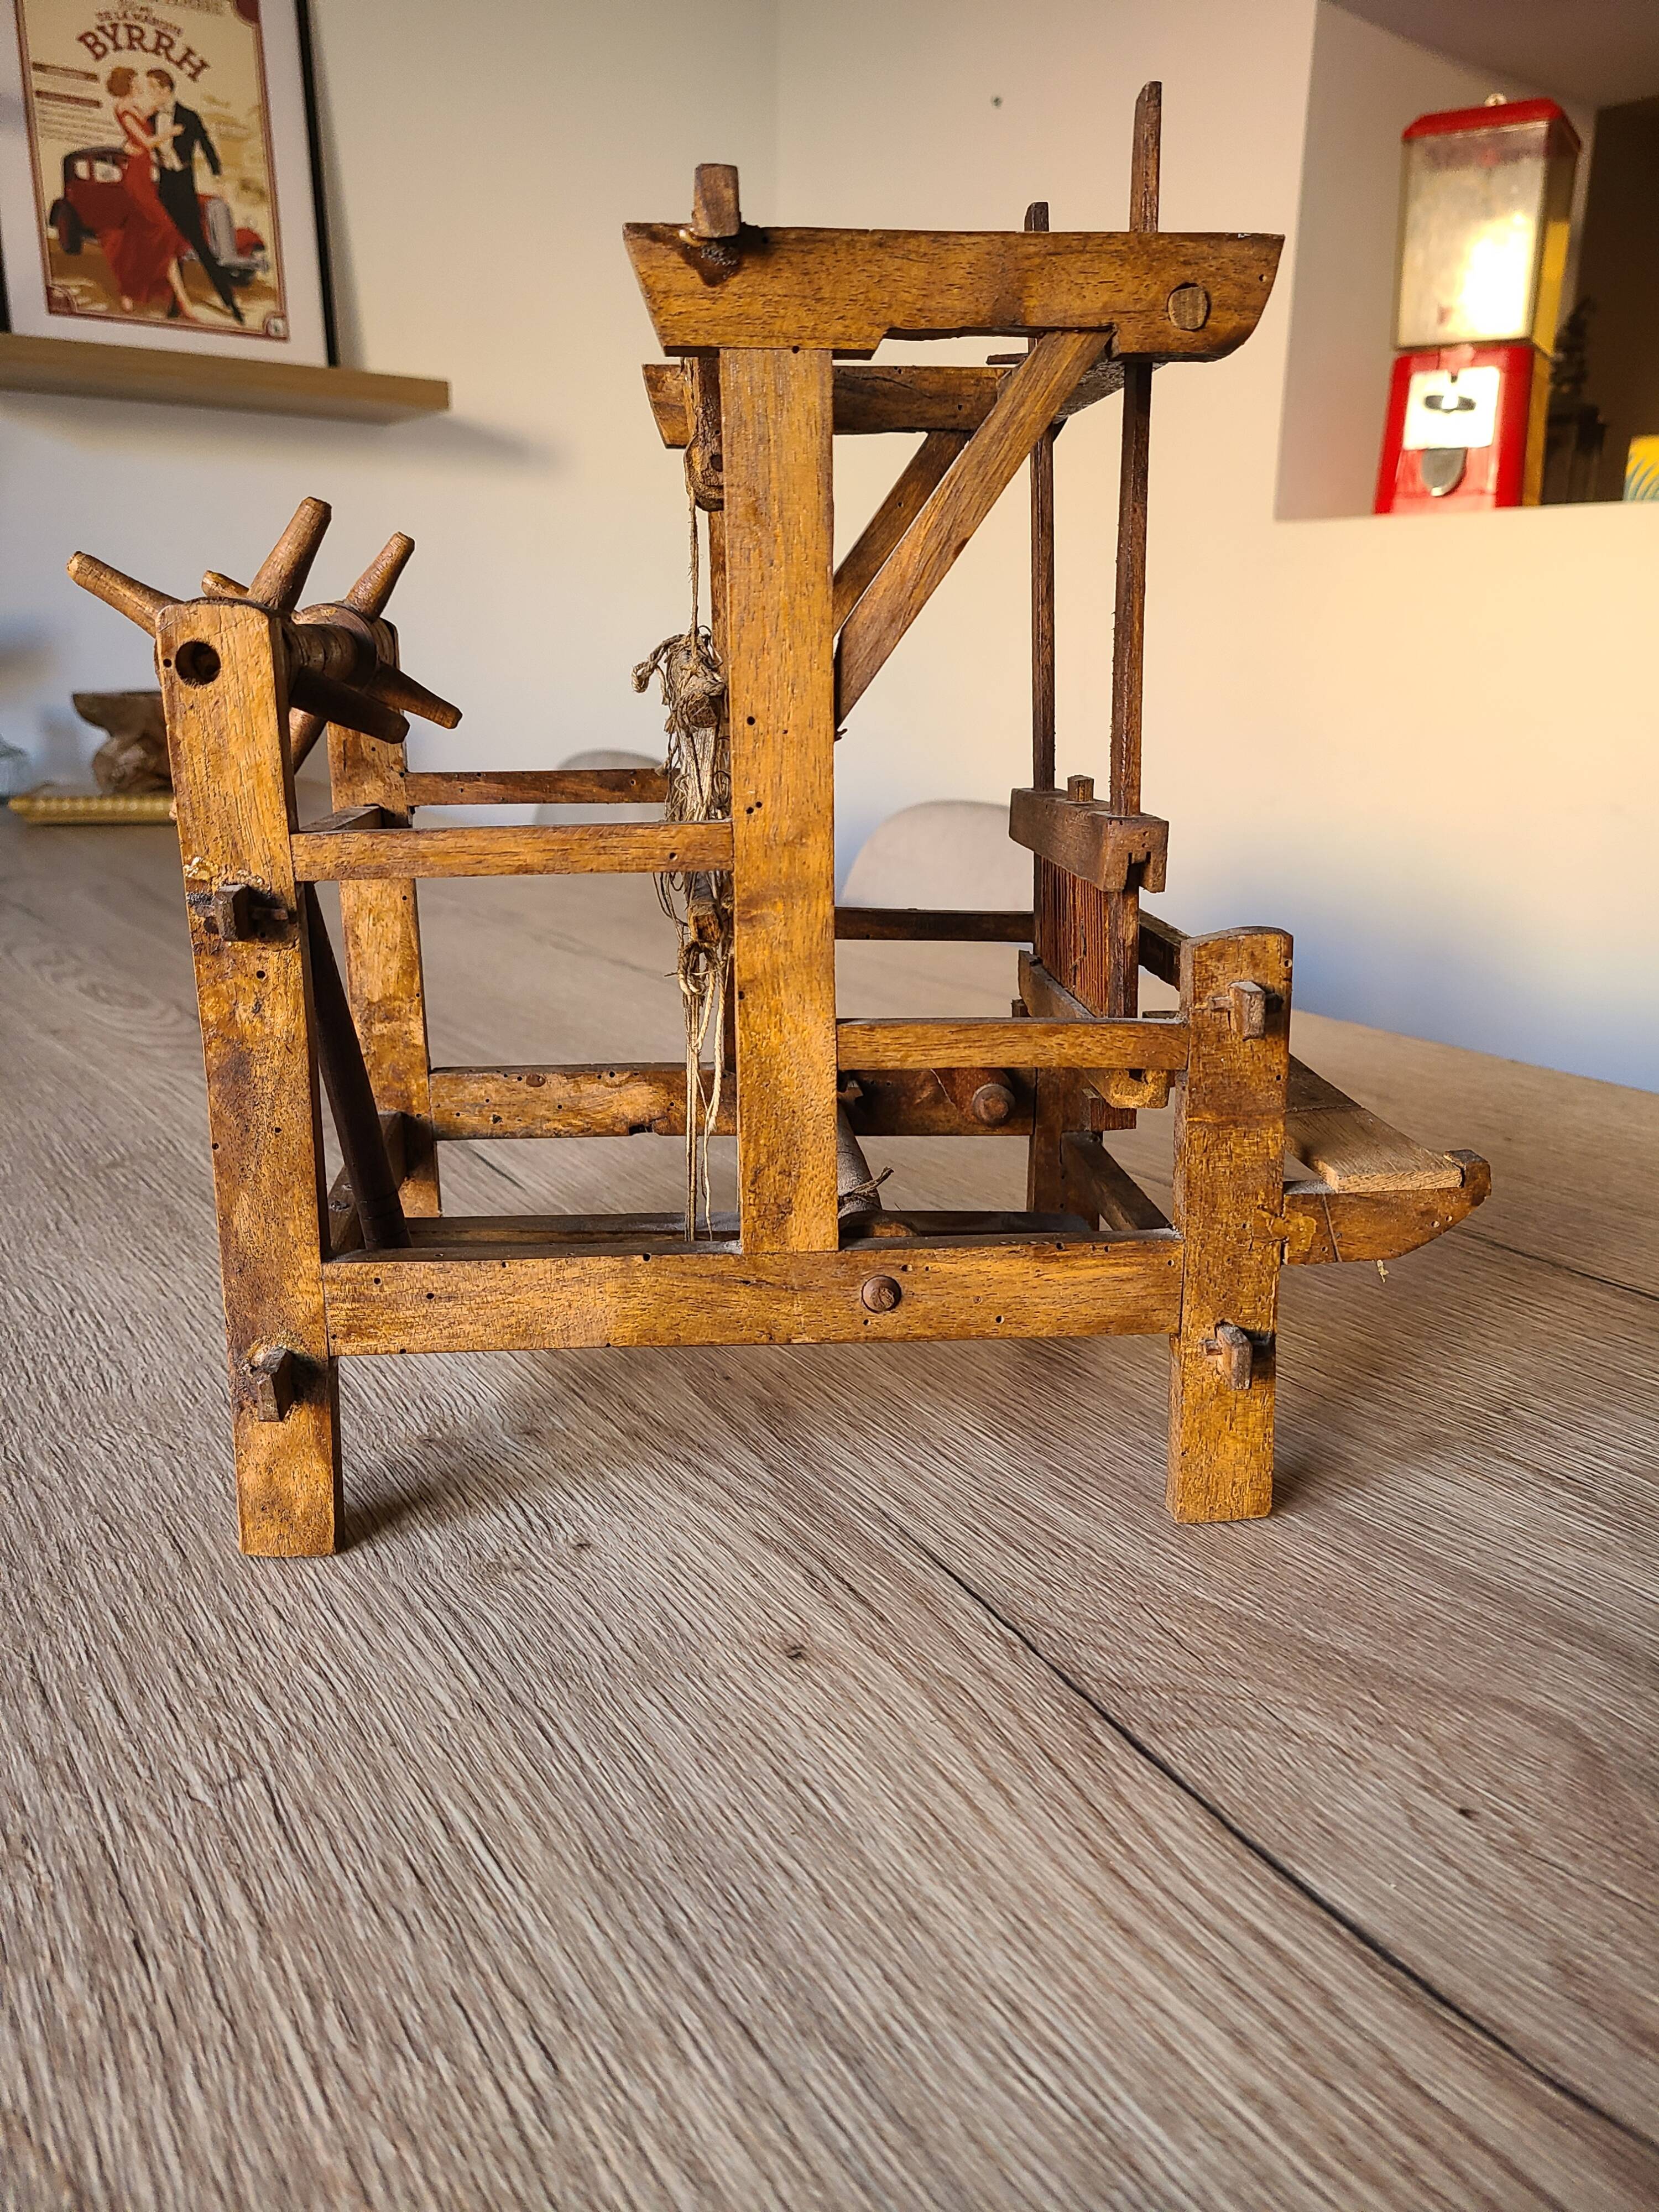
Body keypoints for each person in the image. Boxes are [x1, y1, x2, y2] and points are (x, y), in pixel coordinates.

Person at [144, 67, 244, 326]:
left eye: (154, 88)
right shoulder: (152, 119)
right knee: (169, 247)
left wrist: (218, 178)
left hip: (184, 186)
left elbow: (207, 146)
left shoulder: (189, 116)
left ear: (166, 90)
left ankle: (229, 302)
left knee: (200, 245)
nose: (151, 93)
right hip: (165, 186)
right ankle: (176, 304)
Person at [102, 65, 199, 321]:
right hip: (136, 179)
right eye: (135, 81)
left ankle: (131, 291)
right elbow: (145, 142)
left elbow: (146, 120)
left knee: (144, 238)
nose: (139, 84)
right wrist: (171, 132)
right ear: (127, 85)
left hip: (145, 175)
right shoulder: (123, 109)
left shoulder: (132, 106)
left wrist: (163, 105)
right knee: (165, 231)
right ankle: (182, 303)